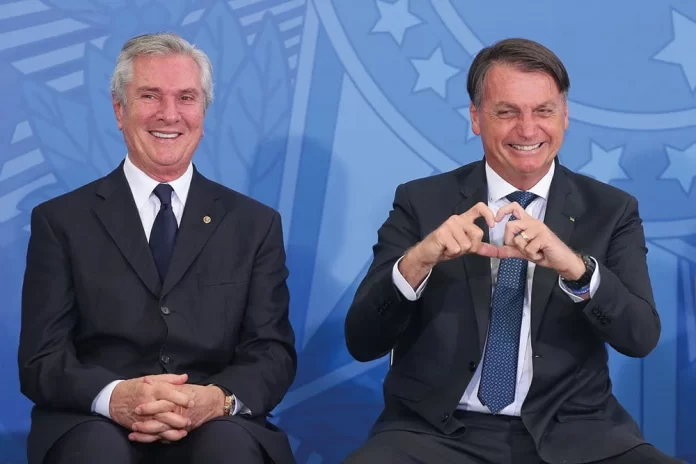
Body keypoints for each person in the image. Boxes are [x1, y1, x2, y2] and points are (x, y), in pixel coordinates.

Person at [343, 38, 681, 464]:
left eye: (543, 111)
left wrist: (577, 270)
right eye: (507, 112)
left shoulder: (611, 210)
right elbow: (362, 341)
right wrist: (418, 261)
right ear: (476, 118)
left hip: (575, 431)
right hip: (436, 433)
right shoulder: (421, 202)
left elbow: (640, 337)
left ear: (565, 116)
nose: (528, 129)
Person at [18, 32, 297, 464]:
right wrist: (115, 398)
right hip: (95, 422)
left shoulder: (255, 224)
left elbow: (272, 353)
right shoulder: (60, 221)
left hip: (215, 421)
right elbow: (42, 358)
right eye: (150, 96)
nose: (170, 114)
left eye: (186, 98)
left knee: (228, 450)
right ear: (119, 109)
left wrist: (215, 400)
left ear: (203, 111)